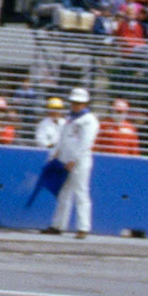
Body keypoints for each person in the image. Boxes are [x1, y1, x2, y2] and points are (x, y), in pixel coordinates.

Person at [44, 88, 98, 238]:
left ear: (85, 103)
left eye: (79, 103)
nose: (76, 105)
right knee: (63, 193)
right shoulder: (70, 118)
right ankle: (58, 225)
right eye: (74, 102)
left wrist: (75, 160)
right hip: (64, 159)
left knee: (81, 192)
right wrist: (57, 152)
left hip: (79, 162)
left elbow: (85, 143)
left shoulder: (89, 120)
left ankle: (83, 227)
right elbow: (63, 137)